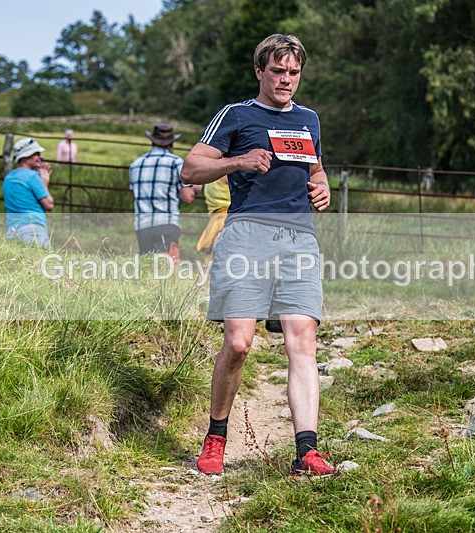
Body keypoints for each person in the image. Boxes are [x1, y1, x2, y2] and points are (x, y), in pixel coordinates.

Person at [181, 34, 334, 477]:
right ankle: (216, 436)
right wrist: (238, 161)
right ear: (259, 71)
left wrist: (322, 187)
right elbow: (190, 168)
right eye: (278, 71)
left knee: (302, 342)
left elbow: (317, 169)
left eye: (293, 72)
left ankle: (307, 451)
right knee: (238, 343)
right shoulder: (236, 115)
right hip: (247, 235)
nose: (286, 80)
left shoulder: (309, 119)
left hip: (299, 239)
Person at [129, 124, 197, 258]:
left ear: (152, 141)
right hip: (167, 222)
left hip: (142, 224)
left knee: (147, 264)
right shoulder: (176, 162)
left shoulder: (136, 164)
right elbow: (187, 197)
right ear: (171, 143)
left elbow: (135, 195)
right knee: (167, 264)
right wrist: (195, 189)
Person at [3, 137, 54, 248]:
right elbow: (49, 205)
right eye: (36, 154)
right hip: (33, 230)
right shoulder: (33, 176)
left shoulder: (8, 178)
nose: (41, 157)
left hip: (12, 231)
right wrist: (44, 183)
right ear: (25, 157)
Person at [195, 176, 230, 265]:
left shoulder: (209, 177)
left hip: (215, 219)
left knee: (211, 253)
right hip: (226, 218)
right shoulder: (225, 174)